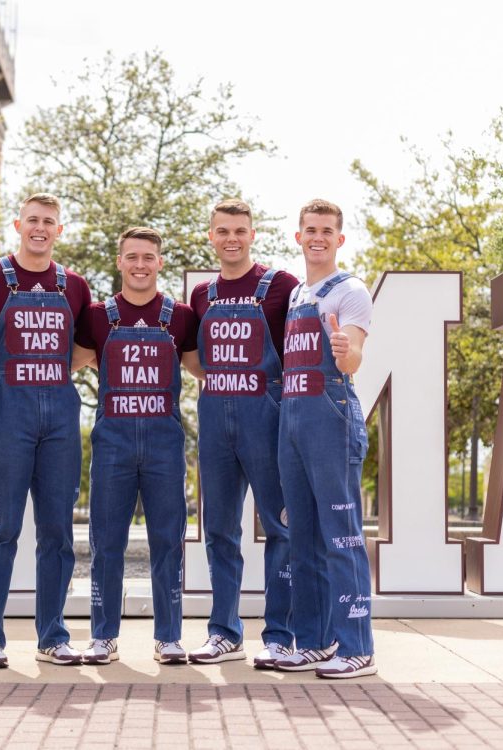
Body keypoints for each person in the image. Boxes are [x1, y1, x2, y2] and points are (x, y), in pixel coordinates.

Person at [0, 193, 93, 667]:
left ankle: (53, 635)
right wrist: (1, 355)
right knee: (2, 528)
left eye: (48, 222)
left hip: (59, 415)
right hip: (6, 414)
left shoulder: (75, 285)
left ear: (59, 229)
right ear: (18, 224)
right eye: (32, 220)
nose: (39, 228)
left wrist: (50, 369)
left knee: (57, 531)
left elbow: (84, 348)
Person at [72, 227, 199, 666]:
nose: (140, 264)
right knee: (106, 542)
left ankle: (168, 637)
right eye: (132, 257)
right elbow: (63, 362)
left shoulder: (180, 317)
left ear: (159, 262)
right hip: (112, 443)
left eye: (148, 257)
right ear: (120, 261)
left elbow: (206, 369)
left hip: (164, 443)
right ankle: (103, 637)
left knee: (168, 540)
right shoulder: (95, 316)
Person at [186, 199, 299, 667]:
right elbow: (193, 360)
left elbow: (298, 351)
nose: (231, 238)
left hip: (266, 419)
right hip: (215, 421)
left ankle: (280, 635)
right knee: (219, 530)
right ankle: (224, 633)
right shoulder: (202, 296)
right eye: (222, 231)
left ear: (253, 234)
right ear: (211, 236)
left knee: (280, 528)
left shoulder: (282, 286)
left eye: (240, 230)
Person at [274, 199, 377, 679]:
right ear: (298, 237)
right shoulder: (298, 295)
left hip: (330, 416)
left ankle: (357, 647)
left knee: (343, 536)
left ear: (340, 239)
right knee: (304, 539)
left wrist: (345, 351)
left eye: (327, 230)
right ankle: (314, 641)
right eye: (310, 229)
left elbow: (353, 355)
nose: (317, 237)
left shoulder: (349, 290)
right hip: (292, 419)